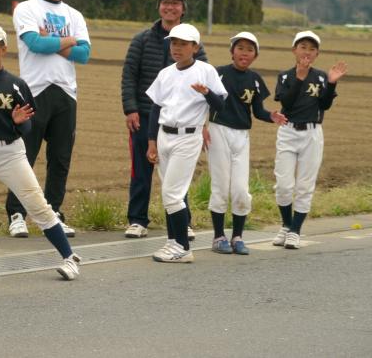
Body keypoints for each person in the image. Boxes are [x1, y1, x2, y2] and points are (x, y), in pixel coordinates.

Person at [0, 22, 81, 280]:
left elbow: (28, 127)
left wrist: (18, 122)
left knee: (38, 206)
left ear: (3, 49)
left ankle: (70, 258)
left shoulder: (16, 85)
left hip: (10, 154)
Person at [8, 0, 91, 238]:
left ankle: (53, 212)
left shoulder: (75, 15)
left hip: (66, 93)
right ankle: (16, 214)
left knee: (60, 158)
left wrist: (55, 41)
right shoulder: (27, 9)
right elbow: (34, 43)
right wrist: (68, 41)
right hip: (34, 89)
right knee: (23, 155)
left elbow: (84, 54)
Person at [121, 0, 207, 240]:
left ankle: (184, 222)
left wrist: (203, 123)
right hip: (145, 115)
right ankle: (137, 220)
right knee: (141, 169)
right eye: (165, 2)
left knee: (178, 173)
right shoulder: (142, 39)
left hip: (178, 119)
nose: (170, 7)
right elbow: (129, 76)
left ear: (183, 8)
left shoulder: (194, 45)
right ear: (159, 6)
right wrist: (130, 109)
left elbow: (205, 88)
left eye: (175, 3)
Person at [145, 24, 227, 263]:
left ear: (195, 47)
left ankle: (183, 247)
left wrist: (206, 93)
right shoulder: (166, 73)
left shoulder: (206, 71)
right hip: (164, 134)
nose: (177, 48)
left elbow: (221, 106)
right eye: (174, 43)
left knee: (173, 193)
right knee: (168, 192)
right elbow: (155, 108)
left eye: (183, 44)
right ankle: (173, 241)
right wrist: (151, 141)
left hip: (188, 136)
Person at [207, 32, 287, 255]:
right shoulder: (218, 74)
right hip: (218, 130)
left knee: (241, 189)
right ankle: (218, 236)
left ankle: (238, 237)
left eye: (249, 50)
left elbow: (258, 110)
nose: (244, 53)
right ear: (232, 51)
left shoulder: (255, 80)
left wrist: (272, 116)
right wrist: (203, 128)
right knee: (221, 185)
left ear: (255, 55)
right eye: (240, 48)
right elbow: (204, 102)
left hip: (242, 135)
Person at [271, 31, 347, 249]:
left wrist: (331, 84)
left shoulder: (322, 77)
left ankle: (295, 231)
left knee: (304, 186)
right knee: (284, 185)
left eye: (312, 49)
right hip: (288, 131)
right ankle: (286, 224)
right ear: (294, 50)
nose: (307, 52)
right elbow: (286, 102)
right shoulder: (285, 76)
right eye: (303, 47)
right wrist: (300, 77)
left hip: (312, 134)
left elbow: (324, 105)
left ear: (317, 54)